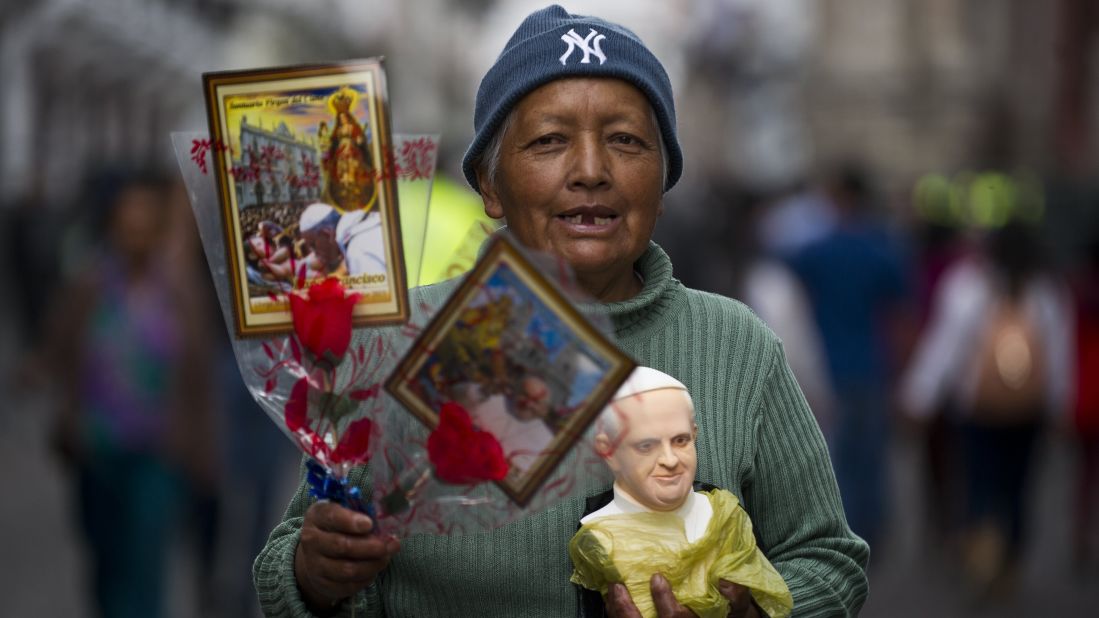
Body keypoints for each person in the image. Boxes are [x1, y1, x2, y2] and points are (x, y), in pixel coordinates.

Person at [255, 6, 869, 617]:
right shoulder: (398, 344)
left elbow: (829, 561)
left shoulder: (736, 346)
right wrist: (316, 576)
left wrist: (753, 612)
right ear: (490, 187)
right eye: (549, 141)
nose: (591, 171)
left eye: (625, 141)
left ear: (664, 181)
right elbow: (286, 570)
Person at [571, 367, 792, 618]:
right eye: (646, 446)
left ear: (694, 435)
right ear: (609, 451)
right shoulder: (599, 535)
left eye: (680, 441)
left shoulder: (725, 514)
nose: (669, 459)